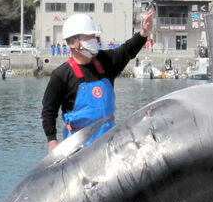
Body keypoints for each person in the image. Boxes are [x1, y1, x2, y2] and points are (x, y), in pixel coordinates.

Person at [41, 9, 154, 151]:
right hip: (78, 146)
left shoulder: (105, 61)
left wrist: (143, 33)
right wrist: (52, 142)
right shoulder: (61, 75)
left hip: (110, 142)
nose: (94, 41)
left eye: (94, 37)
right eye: (88, 38)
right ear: (73, 42)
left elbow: (127, 50)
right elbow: (48, 111)